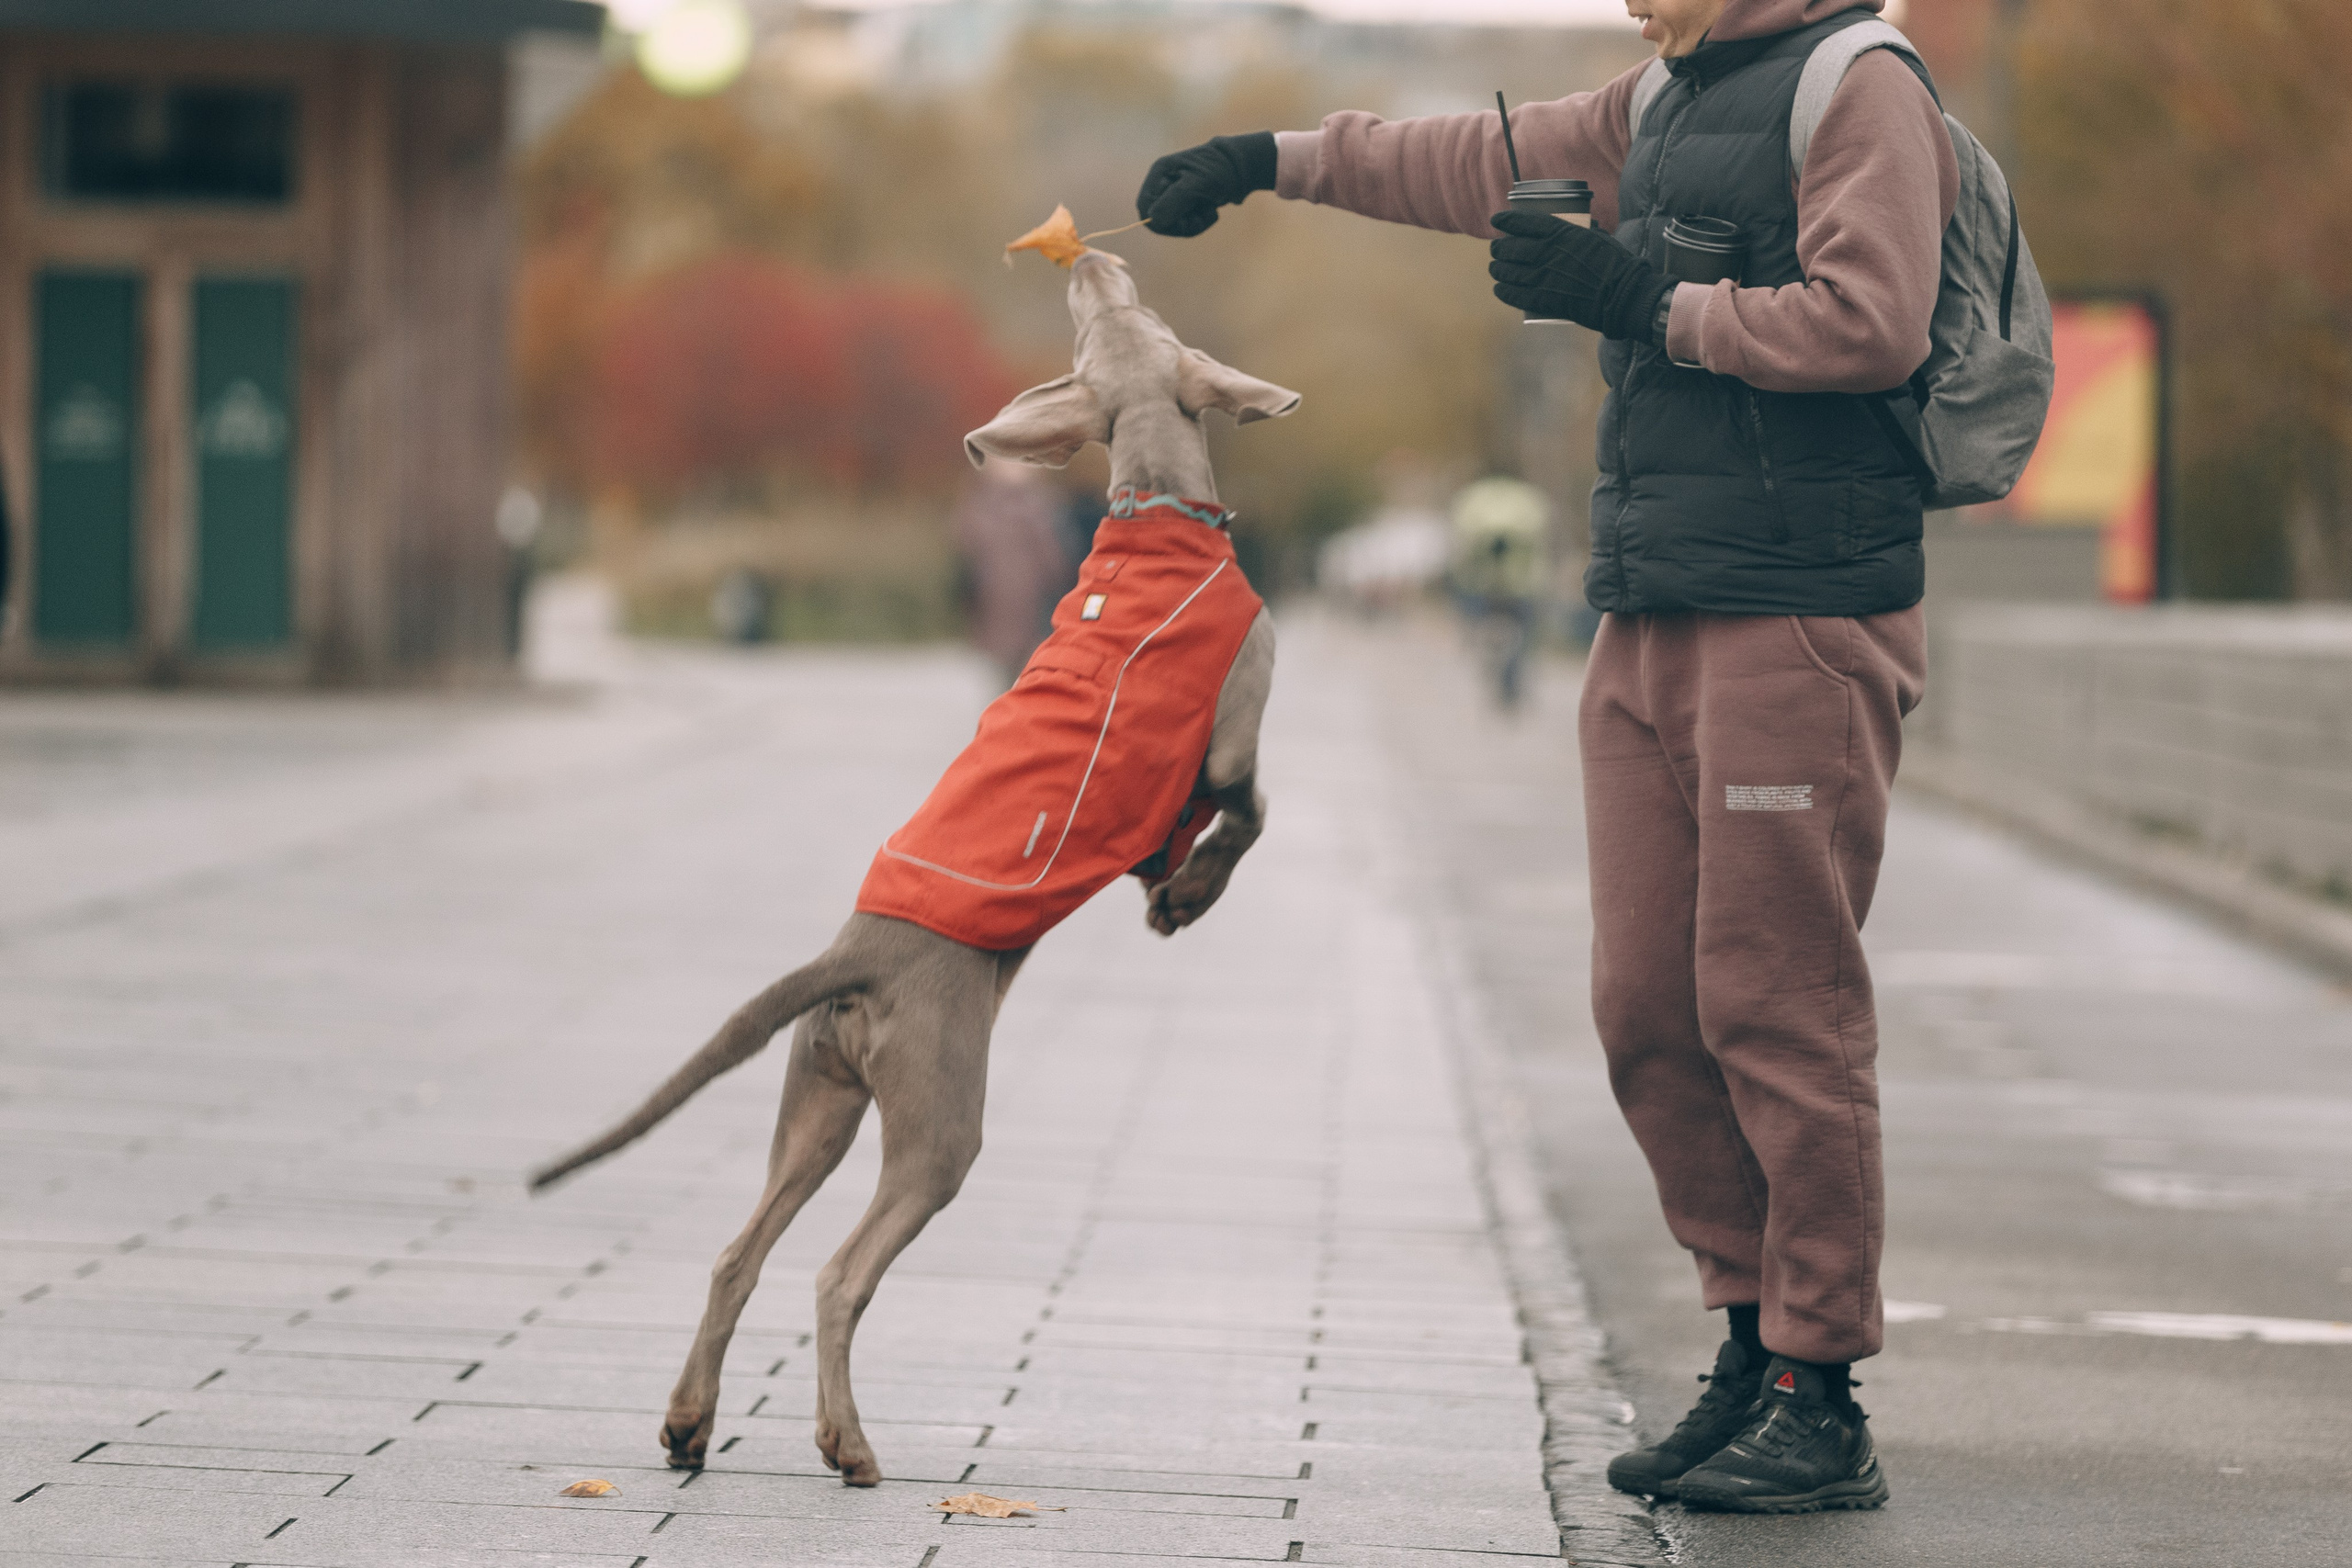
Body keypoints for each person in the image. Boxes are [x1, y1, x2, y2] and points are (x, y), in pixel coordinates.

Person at [1136, 0, 1951, 1516]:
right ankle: (1751, 1344)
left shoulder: (1857, 85)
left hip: (1798, 611)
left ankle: (1821, 1389)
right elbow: (1467, 156)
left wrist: (1641, 299)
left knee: (1774, 1002)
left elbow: (1872, 322)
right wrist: (1268, 156)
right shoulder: (1664, 95)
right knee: (1647, 1002)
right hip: (1651, 604)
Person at [1448, 475, 1551, 709]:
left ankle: (1499, 673)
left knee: (1496, 636)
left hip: (1493, 586)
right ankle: (1506, 679)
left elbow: (1462, 549)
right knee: (1521, 638)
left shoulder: (1474, 505)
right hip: (1518, 587)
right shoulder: (1526, 505)